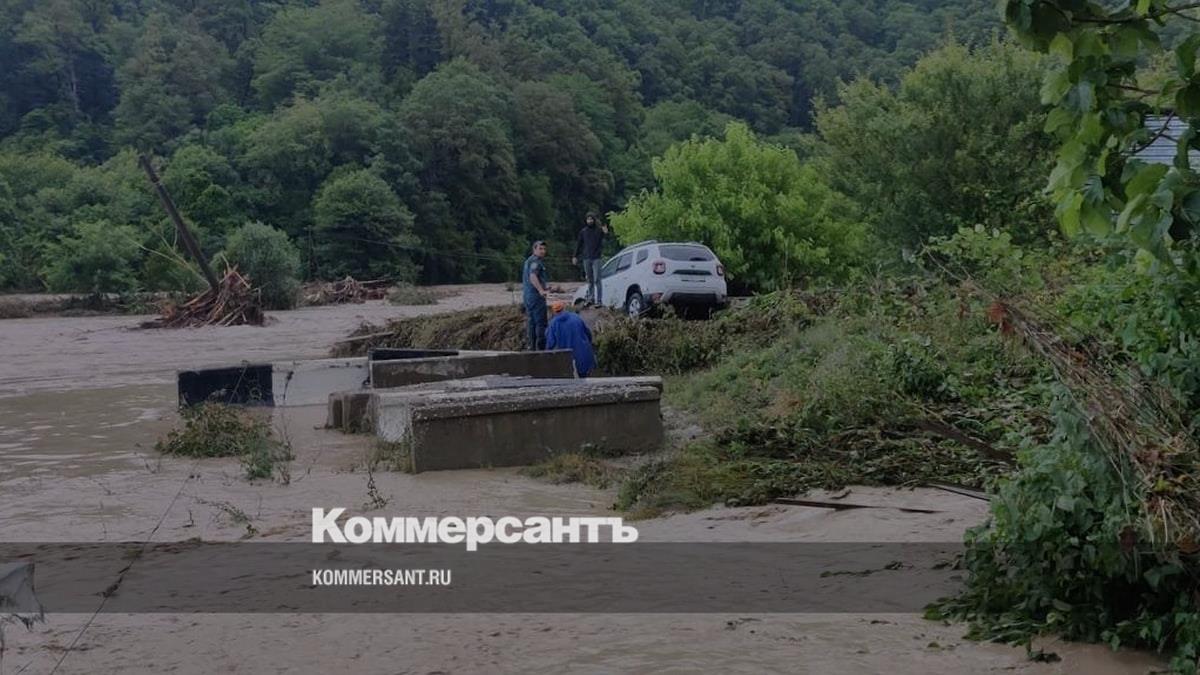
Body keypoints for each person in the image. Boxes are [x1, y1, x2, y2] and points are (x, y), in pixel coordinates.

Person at [545, 302, 596, 377]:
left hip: (567, 361)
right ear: (564, 308)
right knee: (584, 380)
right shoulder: (576, 317)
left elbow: (550, 344)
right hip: (584, 358)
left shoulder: (553, 324)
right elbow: (588, 334)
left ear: (554, 312)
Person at [572, 212, 607, 306]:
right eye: (588, 219)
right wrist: (575, 256)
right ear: (586, 220)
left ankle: (599, 300)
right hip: (586, 258)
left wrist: (605, 232)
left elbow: (605, 236)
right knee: (589, 280)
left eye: (591, 219)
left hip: (597, 258)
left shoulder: (599, 230)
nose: (590, 221)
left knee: (597, 279)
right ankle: (591, 298)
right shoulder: (583, 231)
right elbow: (579, 244)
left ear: (594, 220)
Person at [522, 240, 550, 350]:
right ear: (534, 249)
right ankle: (541, 349)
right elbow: (533, 277)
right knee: (541, 323)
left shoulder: (528, 261)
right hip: (536, 297)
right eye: (540, 249)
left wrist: (547, 288)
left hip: (528, 296)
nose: (543, 251)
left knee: (531, 323)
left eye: (544, 249)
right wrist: (541, 290)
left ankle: (532, 348)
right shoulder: (536, 262)